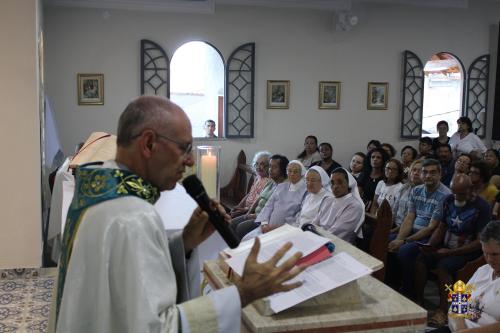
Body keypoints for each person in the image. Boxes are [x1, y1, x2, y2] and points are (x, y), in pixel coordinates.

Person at [50, 96, 305, 333]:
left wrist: (184, 243)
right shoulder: (132, 216)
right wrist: (242, 294)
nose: (190, 161)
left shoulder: (101, 190)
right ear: (148, 143)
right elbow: (158, 327)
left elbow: (123, 283)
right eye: (184, 149)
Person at [415, 174, 490, 327]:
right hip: (447, 247)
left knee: (444, 266)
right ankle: (417, 301)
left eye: (461, 194)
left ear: (471, 189)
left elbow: (480, 241)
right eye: (454, 192)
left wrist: (449, 253)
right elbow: (442, 226)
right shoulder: (449, 200)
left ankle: (442, 310)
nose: (456, 197)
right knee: (421, 259)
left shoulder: (482, 207)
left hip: (469, 252)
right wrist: (430, 244)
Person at [387, 158, 451, 298]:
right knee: (387, 241)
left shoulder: (445, 195)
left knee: (404, 250)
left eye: (433, 173)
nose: (428, 176)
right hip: (413, 231)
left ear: (440, 174)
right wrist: (399, 238)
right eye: (425, 172)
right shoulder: (416, 190)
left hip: (431, 237)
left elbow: (432, 227)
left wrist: (404, 241)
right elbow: (409, 217)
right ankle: (392, 285)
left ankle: (410, 293)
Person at [430, 220, 500, 333]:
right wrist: (460, 329)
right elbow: (459, 302)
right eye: (485, 253)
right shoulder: (483, 270)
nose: (489, 259)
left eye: (495, 254)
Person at [243, 160, 307, 240]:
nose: (292, 174)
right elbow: (268, 206)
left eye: (295, 172)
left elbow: (298, 216)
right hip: (266, 227)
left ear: (301, 174)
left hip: (284, 232)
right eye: (289, 171)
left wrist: (278, 229)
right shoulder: (281, 187)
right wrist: (264, 223)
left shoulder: (305, 192)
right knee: (246, 239)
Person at [231, 154, 288, 239]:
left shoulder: (283, 188)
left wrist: (253, 215)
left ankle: (241, 249)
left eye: (274, 167)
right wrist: (248, 213)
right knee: (231, 223)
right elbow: (258, 199)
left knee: (240, 228)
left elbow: (271, 212)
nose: (270, 170)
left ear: (283, 170)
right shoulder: (271, 182)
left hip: (263, 219)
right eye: (270, 167)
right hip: (254, 214)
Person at [312, 167, 364, 244]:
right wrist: (309, 231)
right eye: (332, 183)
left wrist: (315, 237)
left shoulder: (354, 206)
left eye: (340, 182)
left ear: (348, 183)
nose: (335, 186)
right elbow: (315, 222)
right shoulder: (328, 200)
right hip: (317, 238)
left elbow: (337, 233)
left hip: (336, 244)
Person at [230, 151, 272, 218]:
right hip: (245, 208)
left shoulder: (268, 182)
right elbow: (250, 194)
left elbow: (259, 202)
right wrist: (239, 205)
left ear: (269, 166)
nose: (258, 167)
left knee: (231, 218)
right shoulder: (258, 178)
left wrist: (245, 210)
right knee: (230, 214)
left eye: (262, 164)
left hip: (252, 211)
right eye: (257, 164)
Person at [357, 147, 389, 211]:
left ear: (383, 160)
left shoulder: (385, 177)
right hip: (362, 206)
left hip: (378, 208)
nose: (375, 159)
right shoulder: (364, 174)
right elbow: (358, 195)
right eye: (373, 157)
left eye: (378, 157)